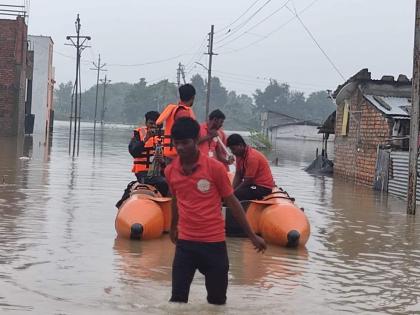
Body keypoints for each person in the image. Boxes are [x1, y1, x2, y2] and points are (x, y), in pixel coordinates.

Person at [165, 117, 266, 305]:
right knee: (177, 302)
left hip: (214, 245)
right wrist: (173, 227)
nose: (180, 148)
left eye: (185, 143)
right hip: (185, 245)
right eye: (176, 143)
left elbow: (232, 201)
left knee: (217, 302)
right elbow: (175, 199)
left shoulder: (215, 169)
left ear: (196, 140)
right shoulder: (170, 171)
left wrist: (252, 235)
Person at [128, 110, 169, 197]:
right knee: (163, 182)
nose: (153, 126)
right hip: (143, 173)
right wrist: (145, 139)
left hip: (160, 172)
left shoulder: (165, 136)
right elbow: (134, 152)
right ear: (146, 123)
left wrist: (162, 161)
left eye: (156, 124)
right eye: (151, 123)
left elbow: (171, 160)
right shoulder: (138, 135)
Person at [226, 134, 275, 201]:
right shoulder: (239, 155)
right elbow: (238, 175)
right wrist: (231, 190)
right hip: (252, 184)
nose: (232, 152)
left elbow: (248, 181)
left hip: (263, 187)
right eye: (231, 150)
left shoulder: (252, 157)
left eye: (233, 149)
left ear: (241, 145)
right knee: (230, 193)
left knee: (237, 194)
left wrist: (233, 193)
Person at [156, 84, 196, 159]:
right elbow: (185, 133)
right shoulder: (183, 112)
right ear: (193, 97)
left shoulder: (173, 110)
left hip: (170, 152)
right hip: (178, 154)